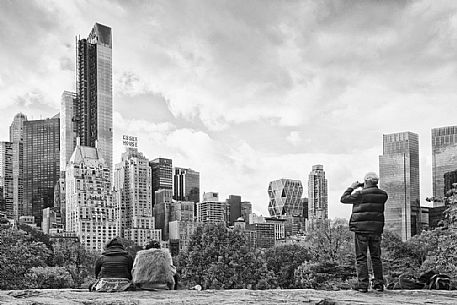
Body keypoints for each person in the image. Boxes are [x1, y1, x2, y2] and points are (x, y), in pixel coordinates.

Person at [340, 172, 388, 292]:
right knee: (376, 257)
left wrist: (352, 187)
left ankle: (363, 285)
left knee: (361, 257)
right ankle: (378, 284)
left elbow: (343, 199)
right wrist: (365, 186)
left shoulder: (360, 194)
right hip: (376, 230)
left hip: (361, 229)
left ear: (366, 181)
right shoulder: (383, 195)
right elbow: (372, 194)